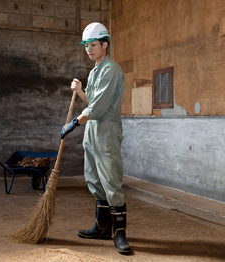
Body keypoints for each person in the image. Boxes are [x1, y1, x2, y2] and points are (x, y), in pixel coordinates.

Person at [60, 22, 131, 255]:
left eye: (93, 45)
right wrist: (80, 90)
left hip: (106, 130)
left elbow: (99, 108)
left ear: (105, 45)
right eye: (87, 46)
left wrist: (73, 123)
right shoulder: (95, 71)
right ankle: (102, 226)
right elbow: (92, 101)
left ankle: (119, 233)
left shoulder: (111, 69)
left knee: (111, 181)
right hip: (92, 130)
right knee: (94, 178)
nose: (89, 49)